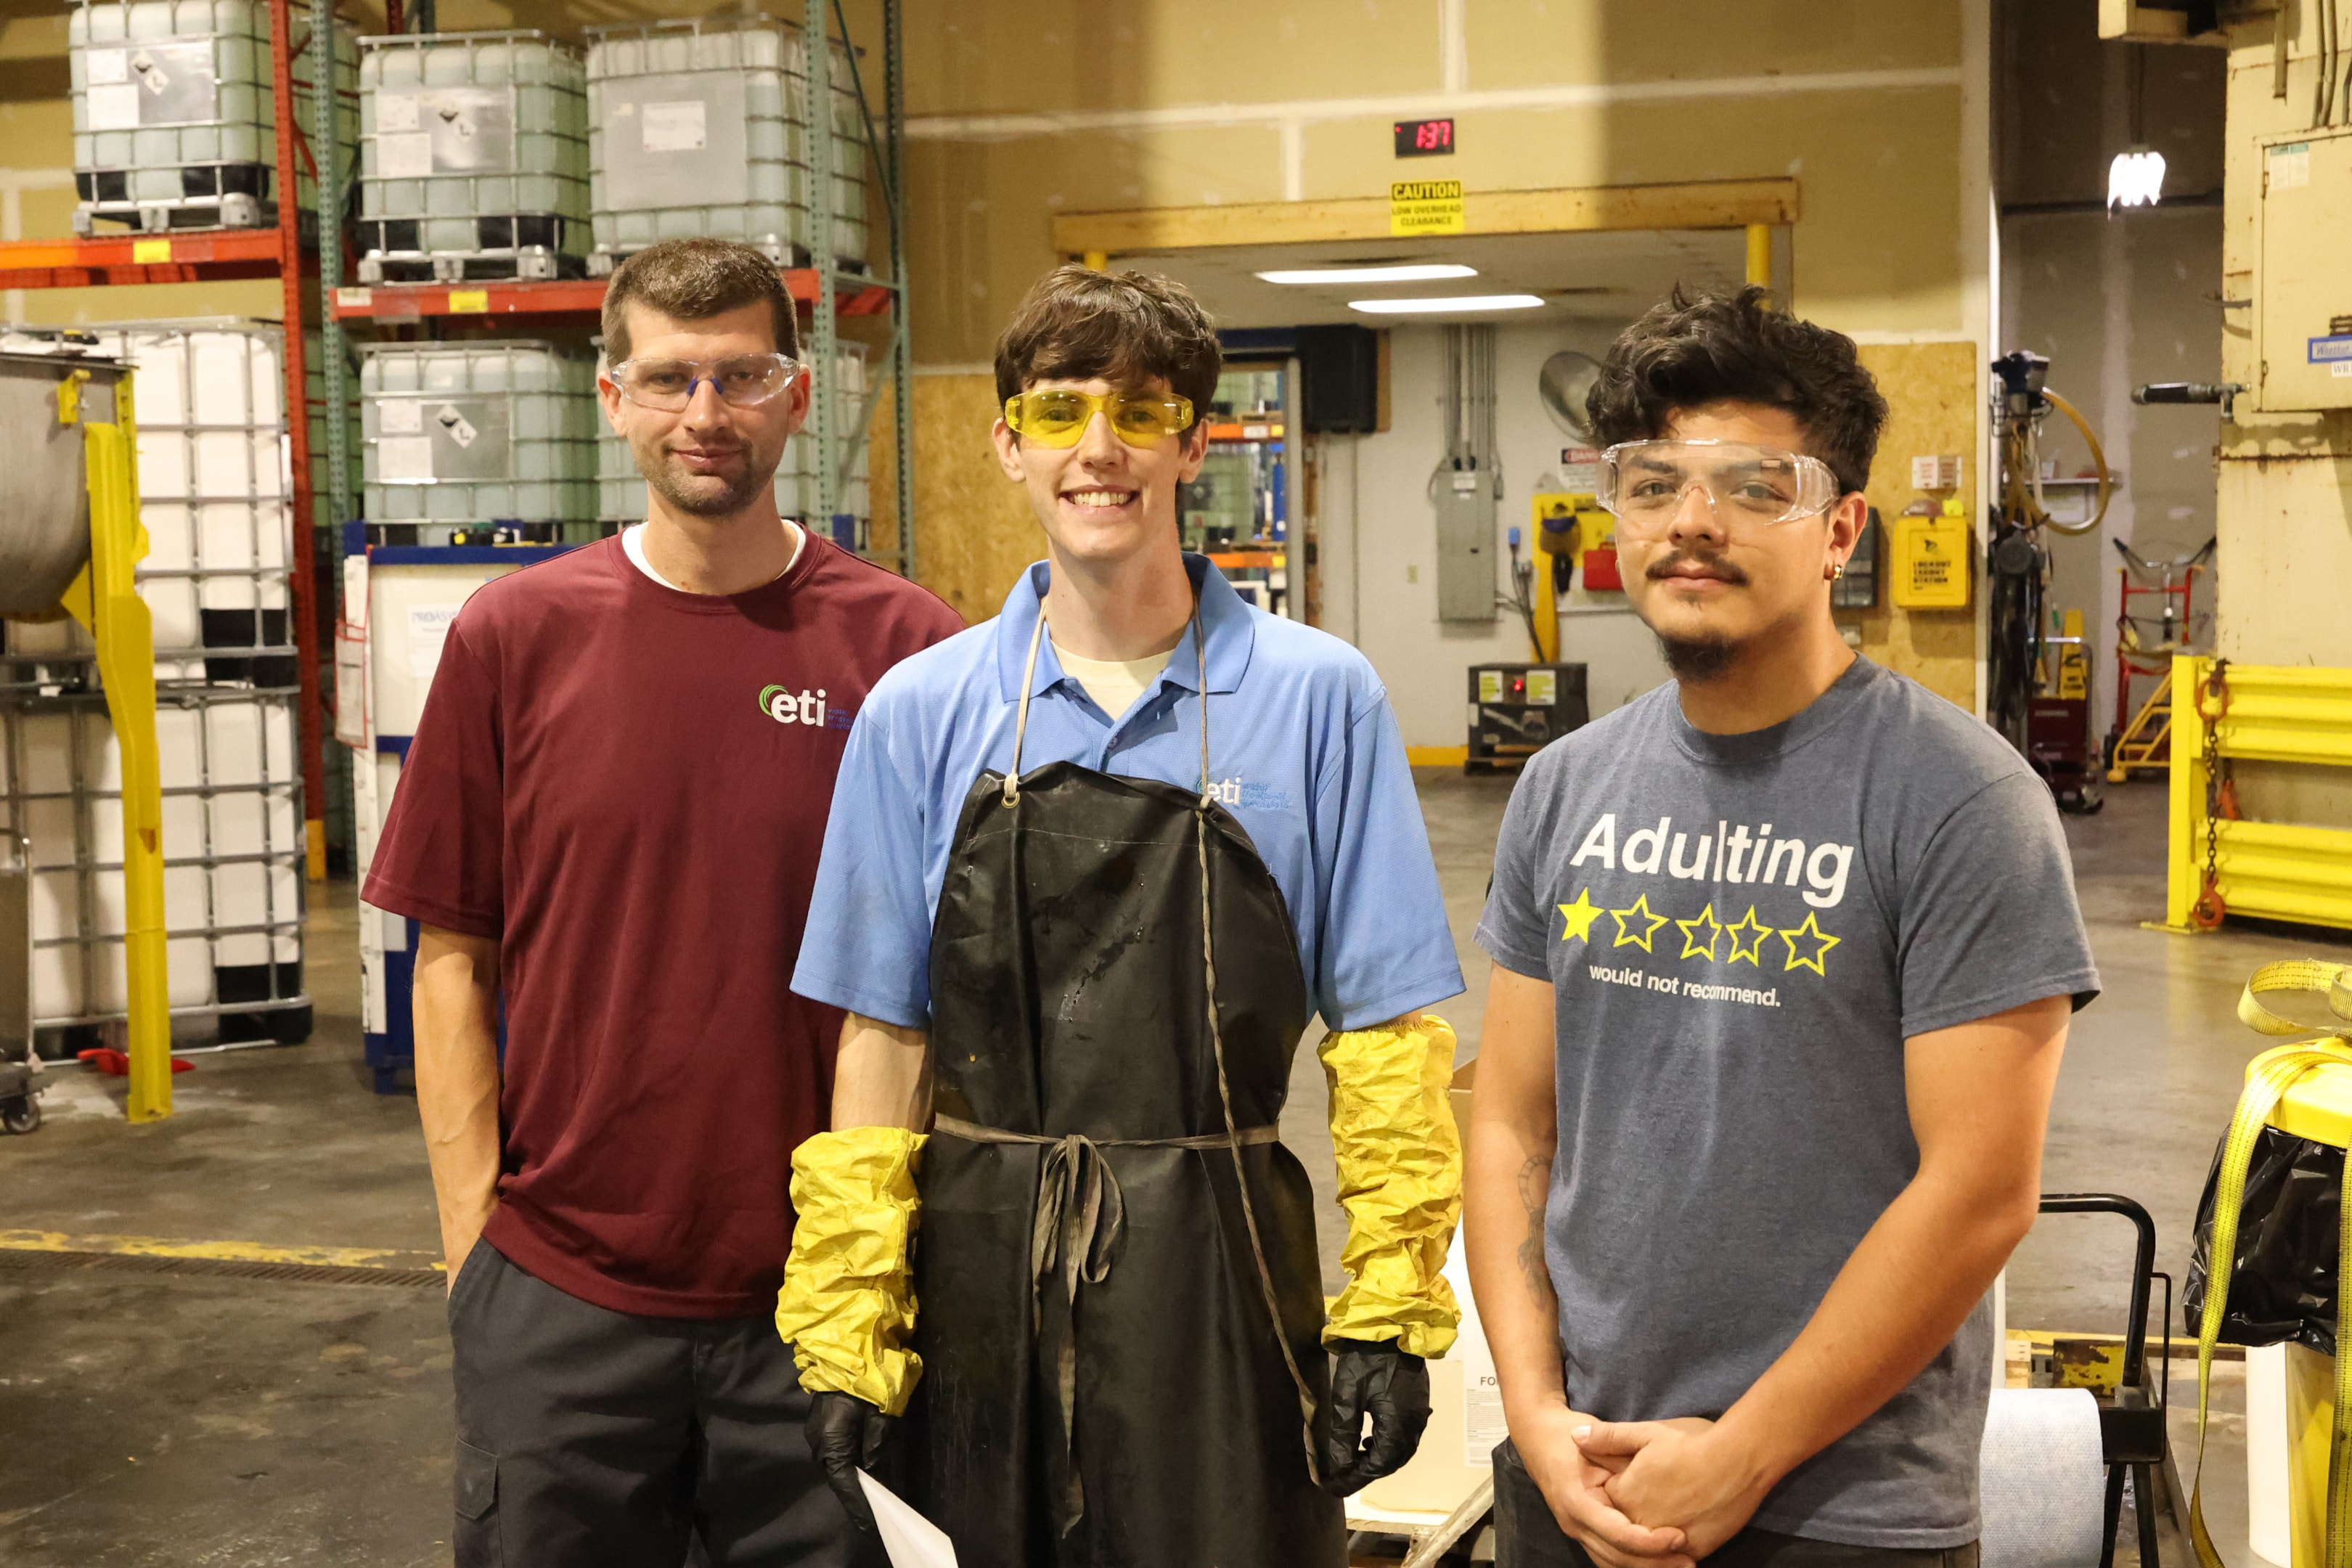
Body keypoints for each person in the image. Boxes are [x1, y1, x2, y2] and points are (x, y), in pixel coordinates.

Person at [772, 264, 1469, 1568]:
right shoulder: (920, 713)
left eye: (1142, 413)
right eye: (1060, 412)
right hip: (975, 1276)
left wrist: (1385, 1306)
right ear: (1010, 446)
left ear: (1196, 441)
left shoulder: (1320, 698)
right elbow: (886, 1038)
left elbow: (1382, 1035)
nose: (1101, 450)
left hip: (1225, 1281)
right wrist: (849, 1314)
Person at [1463, 286, 2101, 1568]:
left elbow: (1980, 1193)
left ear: (1839, 530)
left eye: (1757, 485)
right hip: (1578, 1475)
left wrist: (1741, 1452)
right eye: (1654, 484)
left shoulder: (1962, 799)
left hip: (1837, 1509)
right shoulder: (1565, 784)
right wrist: (1533, 1415)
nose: (1693, 521)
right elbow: (1511, 1121)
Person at [363, 237, 964, 1567]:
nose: (708, 415)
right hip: (563, 1303)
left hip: (824, 1305)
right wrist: (478, 1260)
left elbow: (953, 986)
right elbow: (450, 957)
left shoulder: (907, 652)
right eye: (672, 378)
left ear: (797, 396)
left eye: (743, 376)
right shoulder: (515, 638)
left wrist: (884, 1269)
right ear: (614, 397)